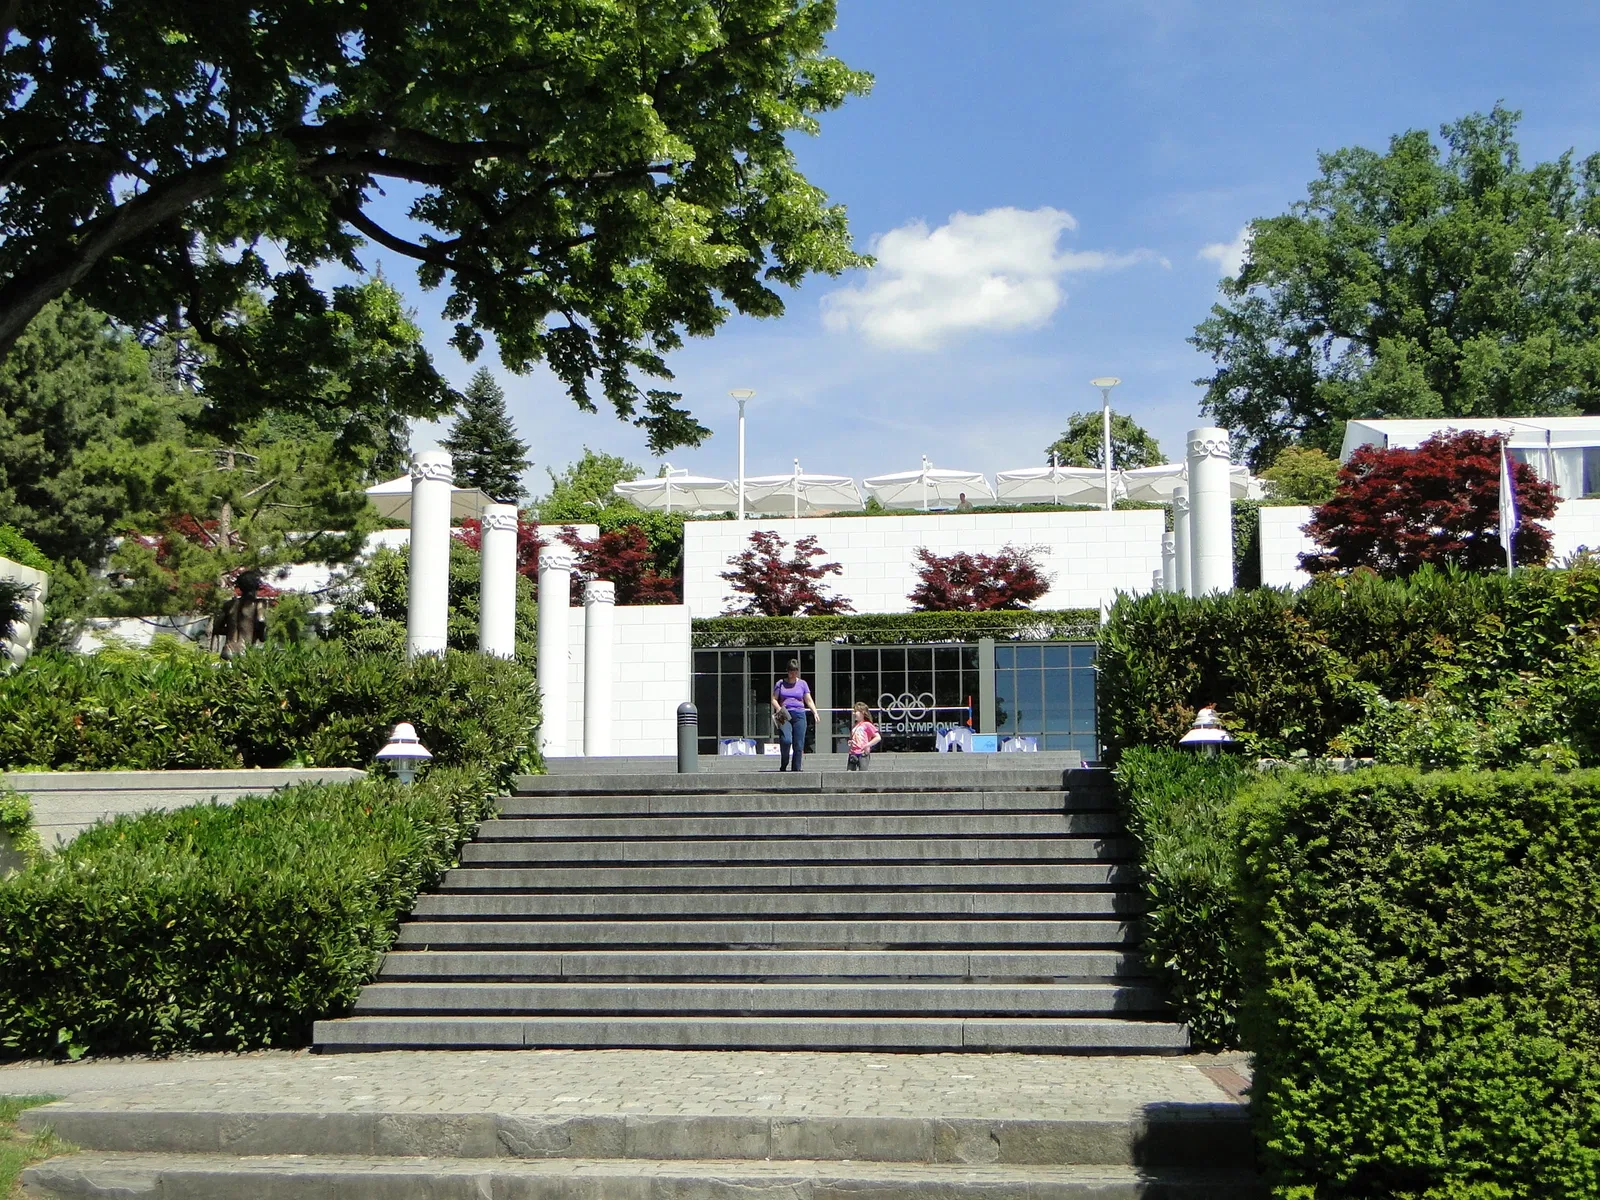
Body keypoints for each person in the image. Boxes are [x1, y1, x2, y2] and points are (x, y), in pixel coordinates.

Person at [771, 658, 819, 772]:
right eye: (791, 671)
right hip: (783, 712)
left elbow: (808, 700)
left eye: (795, 671)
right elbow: (773, 699)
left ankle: (796, 769)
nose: (793, 674)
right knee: (786, 740)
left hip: (799, 713)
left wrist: (815, 712)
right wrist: (778, 708)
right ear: (787, 671)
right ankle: (784, 763)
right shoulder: (780, 683)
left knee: (798, 743)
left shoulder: (802, 684)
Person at [847, 702, 881, 771]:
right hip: (852, 753)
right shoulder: (854, 726)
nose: (854, 714)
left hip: (862, 753)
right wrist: (850, 741)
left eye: (856, 711)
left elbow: (878, 737)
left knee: (863, 774)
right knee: (849, 773)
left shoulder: (867, 724)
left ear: (862, 712)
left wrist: (868, 745)